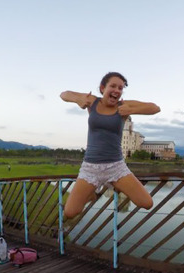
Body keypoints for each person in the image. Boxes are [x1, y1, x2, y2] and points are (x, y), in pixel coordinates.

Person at [60, 72, 160, 219]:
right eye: (113, 86)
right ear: (102, 88)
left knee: (146, 202)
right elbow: (64, 94)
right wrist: (78, 100)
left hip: (116, 167)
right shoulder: (92, 101)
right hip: (90, 168)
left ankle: (113, 184)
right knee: (70, 212)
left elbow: (155, 108)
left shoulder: (123, 106)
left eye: (120, 88)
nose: (117, 91)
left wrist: (131, 110)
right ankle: (94, 194)